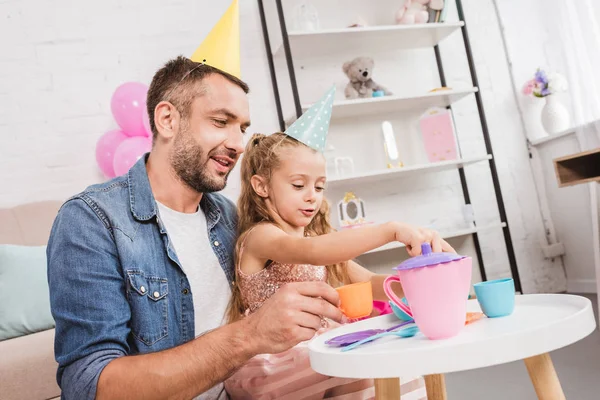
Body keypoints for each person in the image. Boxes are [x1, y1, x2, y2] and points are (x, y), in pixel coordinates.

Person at [47, 56, 346, 400]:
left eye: (243, 128)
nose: (238, 143)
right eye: (221, 121)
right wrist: (249, 335)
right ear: (167, 119)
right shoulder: (91, 222)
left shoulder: (227, 216)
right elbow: (90, 386)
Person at [223, 132, 454, 399]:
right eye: (299, 185)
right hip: (274, 359)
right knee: (365, 369)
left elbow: (367, 282)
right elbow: (312, 252)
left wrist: (419, 280)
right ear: (261, 186)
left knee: (398, 363)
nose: (312, 197)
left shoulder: (313, 238)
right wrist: (391, 230)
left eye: (319, 187)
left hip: (315, 350)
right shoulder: (261, 236)